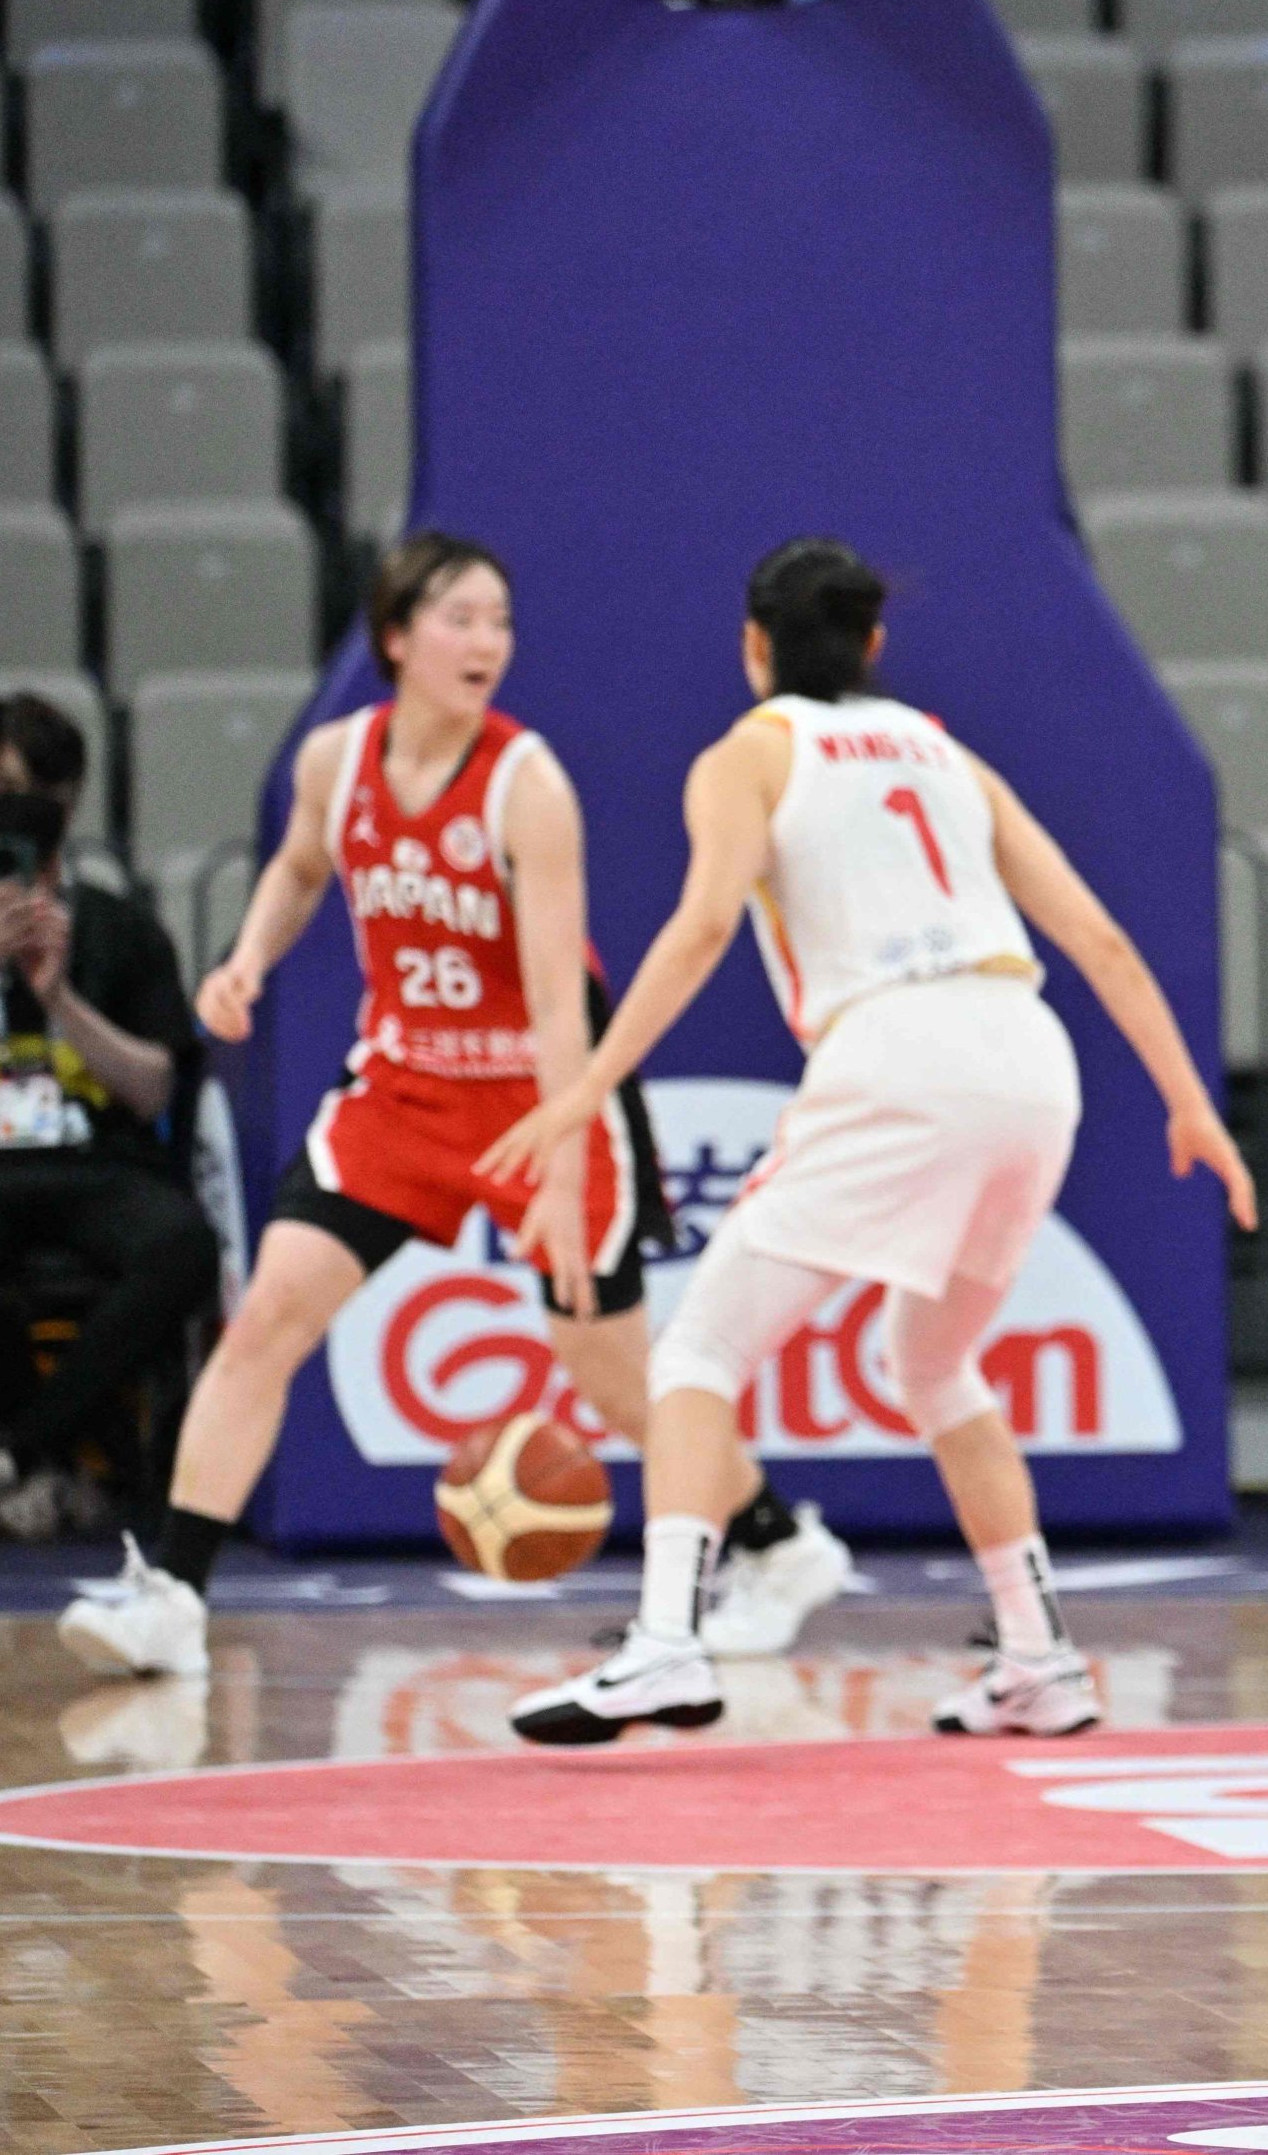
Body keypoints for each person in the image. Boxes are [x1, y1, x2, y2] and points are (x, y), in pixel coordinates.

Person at [499, 541, 1256, 1743]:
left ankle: (664, 1647)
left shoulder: (749, 752)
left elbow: (700, 930)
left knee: (695, 1353)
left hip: (902, 1051)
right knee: (934, 1363)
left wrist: (591, 1084)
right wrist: (1189, 1102)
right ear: (874, 647)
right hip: (1029, 1054)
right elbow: (1100, 939)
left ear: (754, 646)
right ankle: (1039, 1658)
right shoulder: (945, 752)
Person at [55, 540, 816, 1681]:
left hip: (539, 1095)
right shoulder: (335, 759)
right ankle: (171, 1592)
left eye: (501, 621)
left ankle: (778, 1544)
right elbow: (304, 867)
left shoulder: (529, 785)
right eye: (461, 619)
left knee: (609, 1372)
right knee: (266, 1317)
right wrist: (249, 959)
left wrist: (559, 1167)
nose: (488, 644)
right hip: (403, 1090)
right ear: (397, 637)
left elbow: (562, 1000)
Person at [0, 697, 210, 1543]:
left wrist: (60, 998)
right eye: (1, 793)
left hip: (100, 1163)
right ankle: (65, 1458)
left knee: (181, 1246)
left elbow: (153, 1091)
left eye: (40, 792)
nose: (21, 810)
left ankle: (11, 1449)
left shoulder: (125, 930)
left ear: (76, 794)